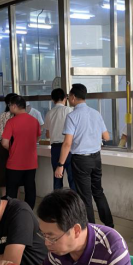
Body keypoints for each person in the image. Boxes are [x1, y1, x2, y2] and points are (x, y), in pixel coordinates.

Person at [55, 84, 114, 228]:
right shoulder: (96, 113)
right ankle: (109, 225)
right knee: (98, 192)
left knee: (85, 197)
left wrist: (60, 165)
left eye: (69, 96)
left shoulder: (72, 116)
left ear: (73, 97)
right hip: (96, 158)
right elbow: (106, 136)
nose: (69, 98)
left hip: (81, 160)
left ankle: (91, 230)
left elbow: (67, 143)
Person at [1, 96, 41, 209]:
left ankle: (12, 212)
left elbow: (4, 143)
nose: (9, 107)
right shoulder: (34, 120)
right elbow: (37, 137)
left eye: (9, 105)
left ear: (14, 106)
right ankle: (29, 211)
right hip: (31, 163)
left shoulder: (11, 122)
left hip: (14, 163)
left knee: (12, 190)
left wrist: (12, 149)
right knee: (30, 189)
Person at [44, 88, 75, 190]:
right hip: (69, 148)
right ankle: (75, 200)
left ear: (53, 100)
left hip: (55, 149)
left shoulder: (49, 113)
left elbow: (48, 134)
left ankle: (57, 199)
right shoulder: (70, 110)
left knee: (57, 178)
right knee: (73, 179)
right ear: (65, 98)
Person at [0, 93, 16, 195]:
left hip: (4, 146)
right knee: (16, 175)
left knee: (3, 174)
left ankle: (4, 197)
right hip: (16, 146)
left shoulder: (3, 115)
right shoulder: (20, 116)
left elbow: (0, 134)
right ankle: (15, 199)